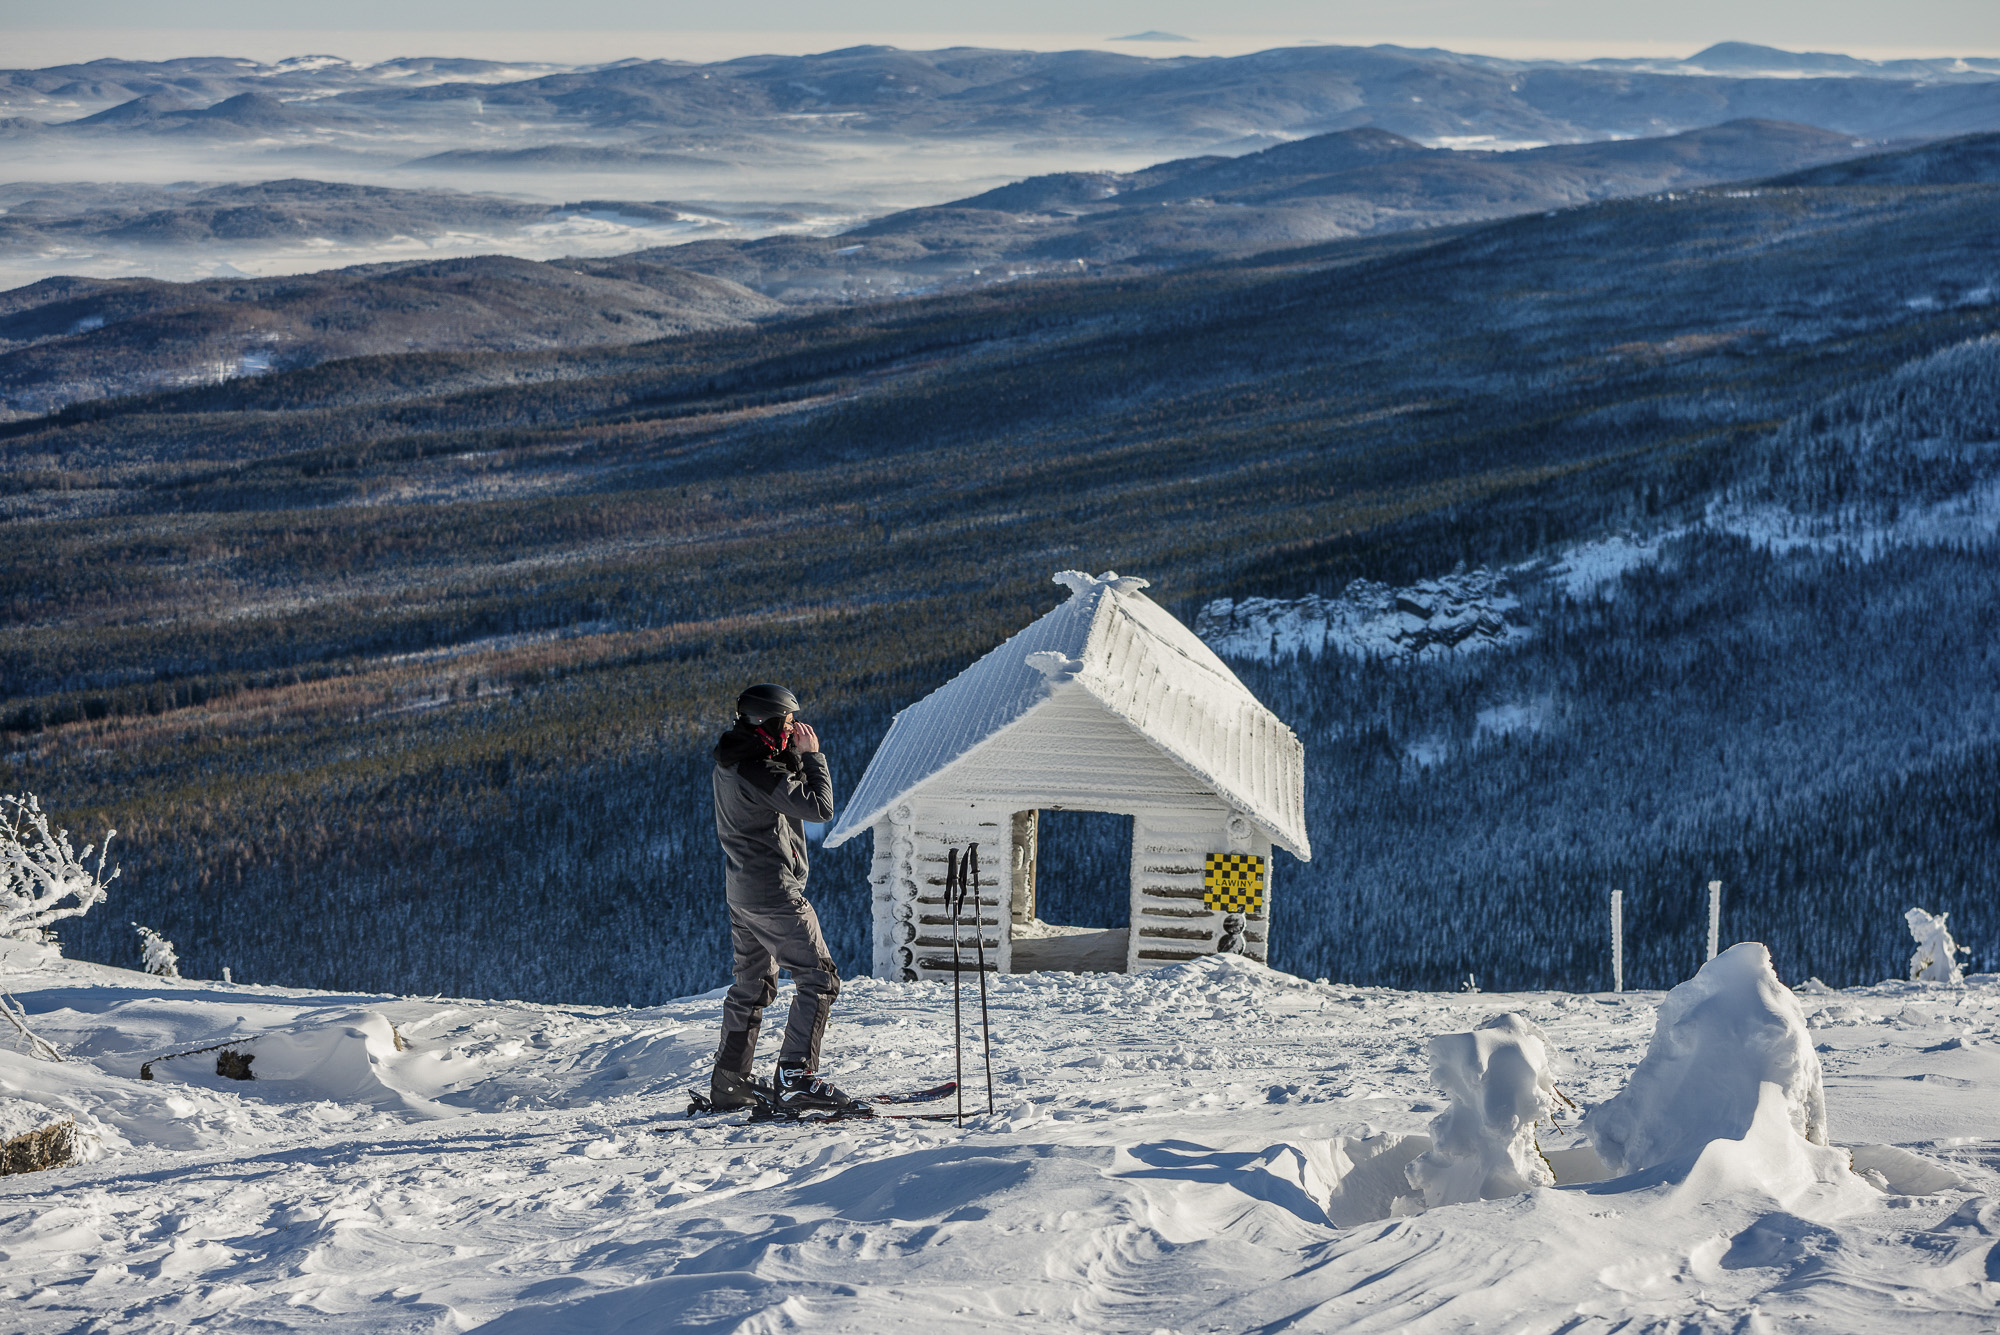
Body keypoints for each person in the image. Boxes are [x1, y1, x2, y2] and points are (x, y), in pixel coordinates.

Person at [708, 683, 862, 1113]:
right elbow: (819, 807)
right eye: (789, 721)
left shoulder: (736, 759)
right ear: (771, 722)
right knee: (819, 978)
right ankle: (796, 1077)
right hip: (775, 893)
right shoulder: (758, 769)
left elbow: (776, 782)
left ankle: (730, 1081)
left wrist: (791, 756)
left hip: (742, 891)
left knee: (751, 986)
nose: (795, 728)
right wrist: (813, 757)